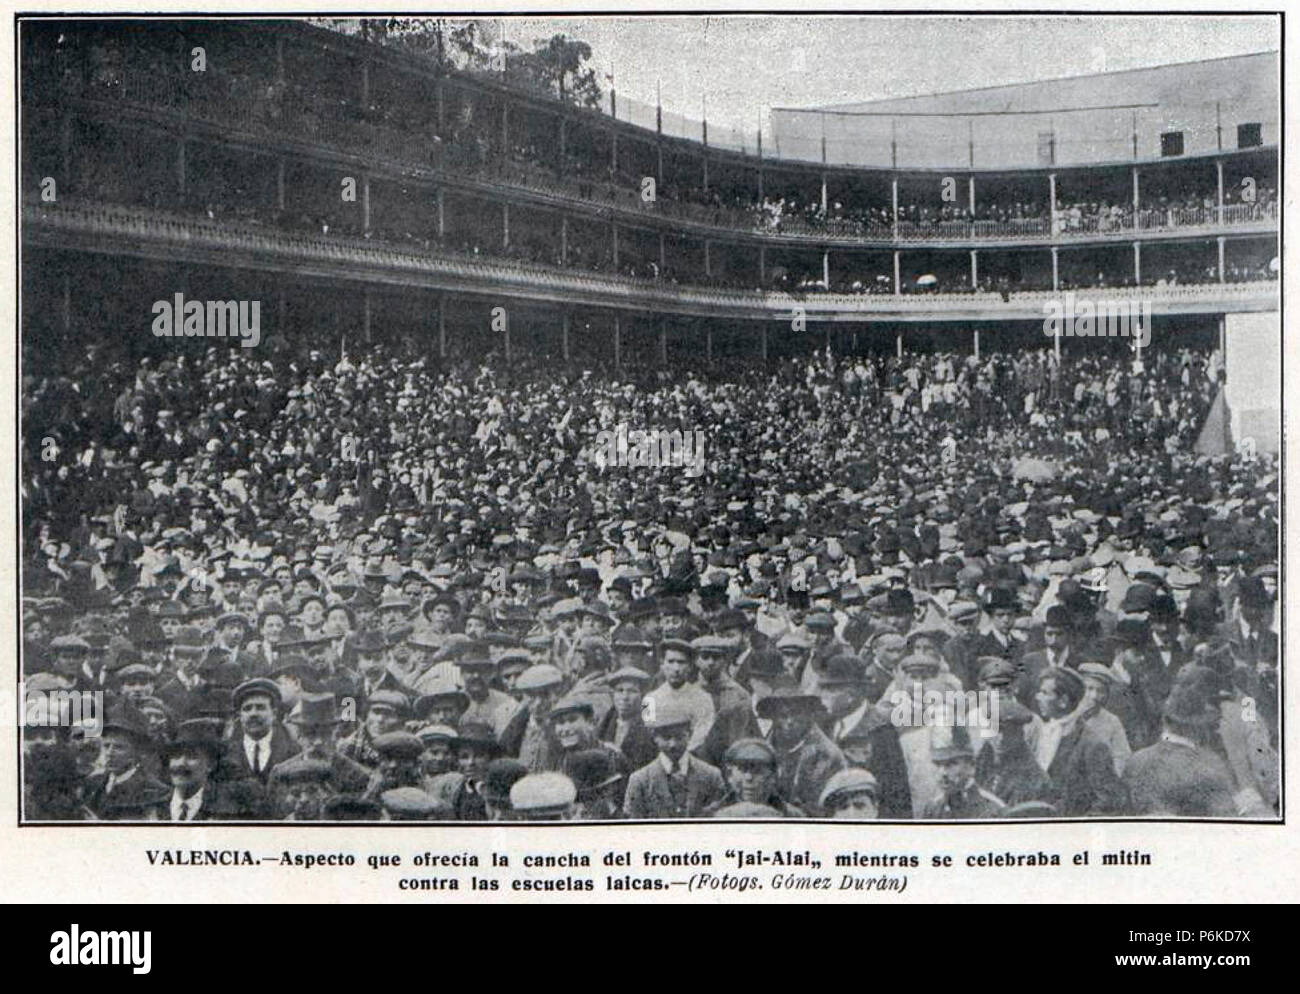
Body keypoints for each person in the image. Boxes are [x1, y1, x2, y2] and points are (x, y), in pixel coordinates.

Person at [623, 705, 726, 820]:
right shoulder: (640, 780)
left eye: (679, 737)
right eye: (666, 738)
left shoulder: (711, 775)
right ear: (654, 738)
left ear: (690, 735)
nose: (673, 744)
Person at [225, 678, 299, 785]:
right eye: (247, 709)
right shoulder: (226, 751)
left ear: (274, 714)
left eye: (260, 707)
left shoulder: (292, 748)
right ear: (239, 716)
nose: (253, 714)